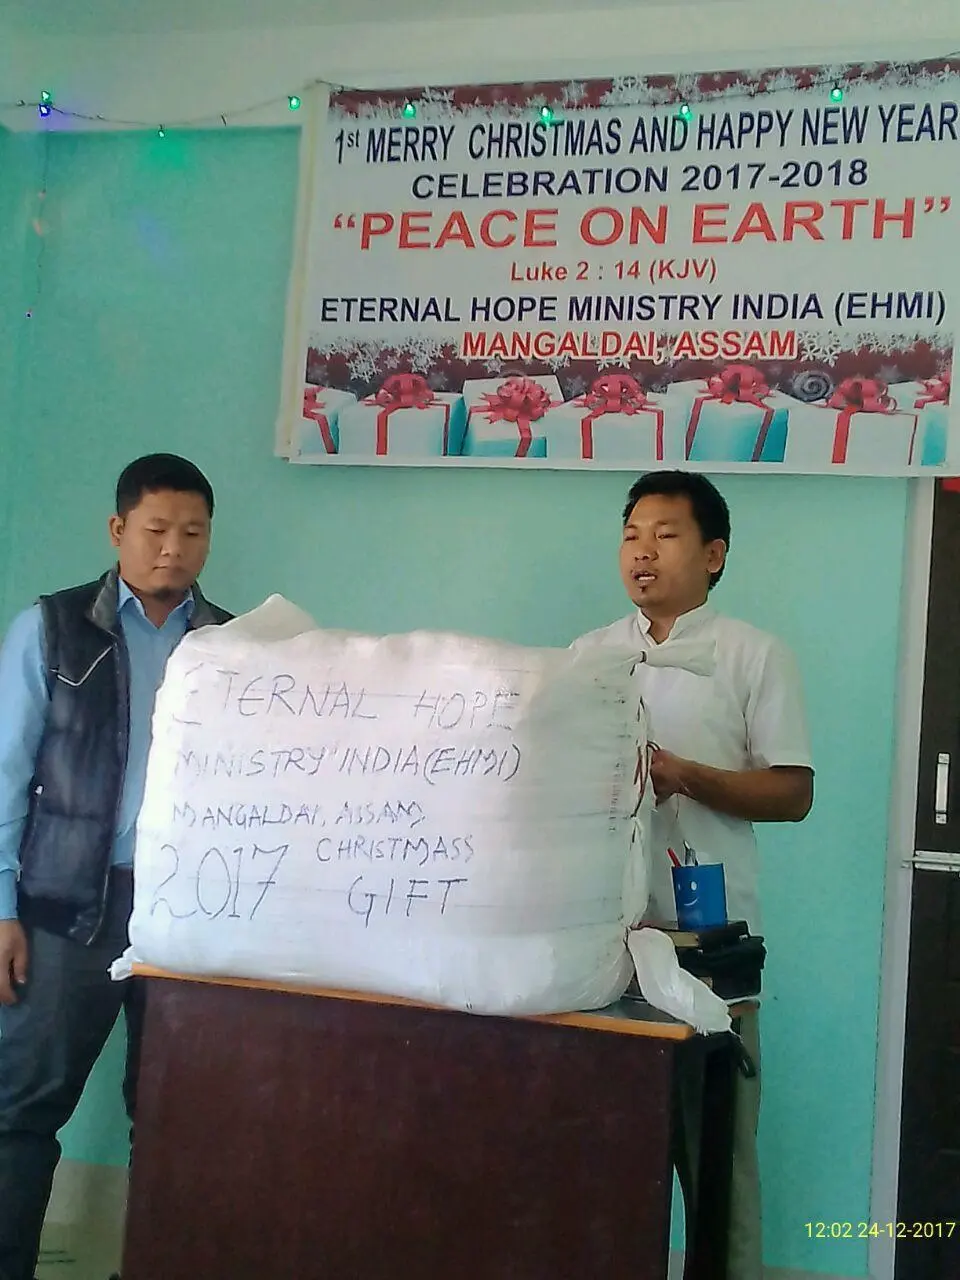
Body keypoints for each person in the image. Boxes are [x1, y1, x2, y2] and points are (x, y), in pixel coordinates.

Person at [572, 469, 813, 1280]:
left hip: (711, 946)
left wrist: (686, 775)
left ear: (713, 555)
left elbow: (793, 792)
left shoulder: (755, 655)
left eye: (665, 535)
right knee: (605, 1161)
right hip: (605, 946)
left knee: (718, 1166)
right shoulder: (589, 657)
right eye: (631, 535)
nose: (642, 552)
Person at [0, 454, 232, 1280]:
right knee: (20, 1111)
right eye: (156, 529)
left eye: (193, 532)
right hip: (65, 908)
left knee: (176, 1121)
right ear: (118, 530)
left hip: (189, 918)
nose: (174, 547)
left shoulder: (234, 646)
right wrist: (2, 908)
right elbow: (5, 773)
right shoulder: (54, 628)